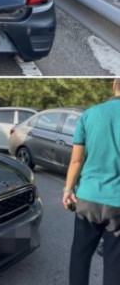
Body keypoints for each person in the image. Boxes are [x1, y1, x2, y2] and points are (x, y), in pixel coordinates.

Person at [64, 78, 120, 284]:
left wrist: (68, 189)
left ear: (115, 84)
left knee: (80, 255)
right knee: (115, 263)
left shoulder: (90, 114)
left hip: (88, 198)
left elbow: (77, 160)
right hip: (118, 203)